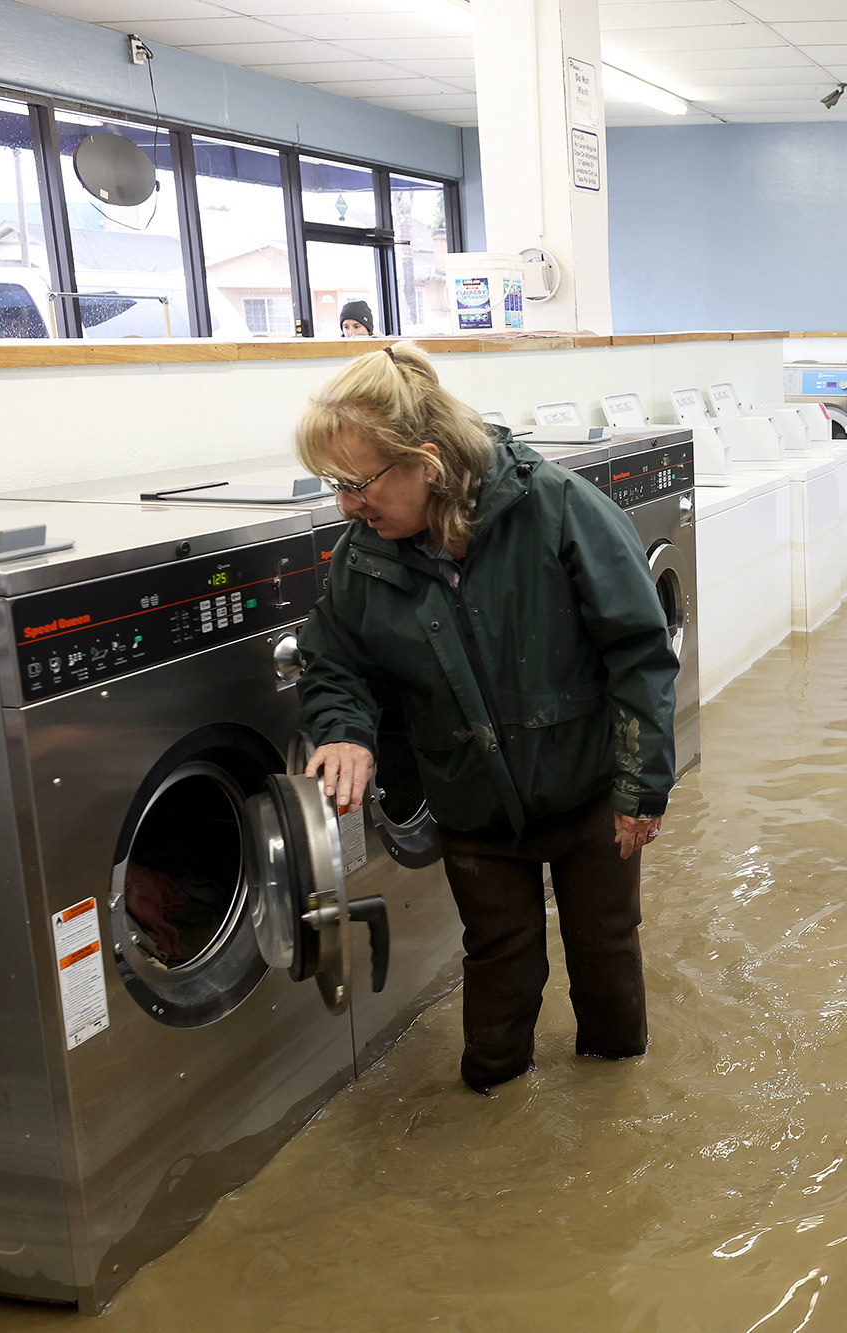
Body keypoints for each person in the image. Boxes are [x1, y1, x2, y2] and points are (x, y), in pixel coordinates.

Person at [294, 342, 678, 1093]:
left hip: (586, 790)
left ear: (426, 463)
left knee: (605, 951)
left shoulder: (559, 508)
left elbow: (638, 649)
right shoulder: (364, 559)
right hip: (473, 806)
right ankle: (495, 1106)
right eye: (334, 486)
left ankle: (617, 1102)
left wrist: (641, 786)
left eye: (356, 483)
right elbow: (335, 659)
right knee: (500, 962)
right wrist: (344, 729)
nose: (346, 505)